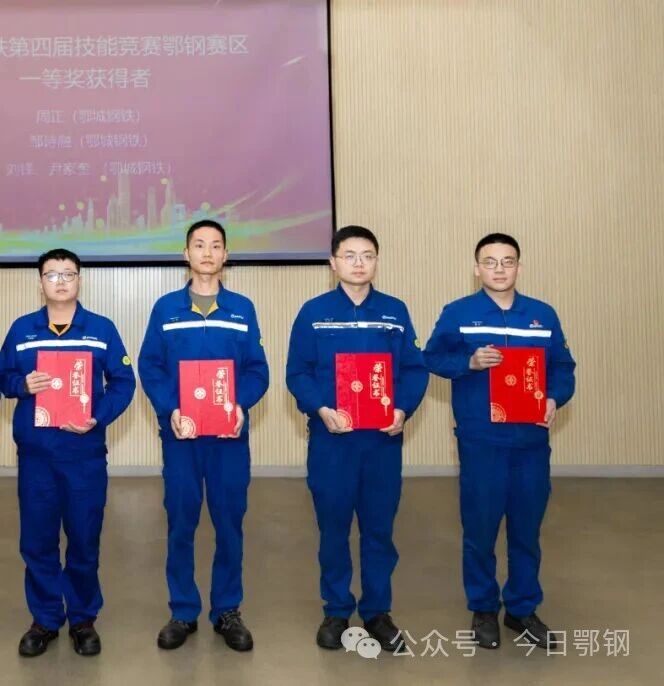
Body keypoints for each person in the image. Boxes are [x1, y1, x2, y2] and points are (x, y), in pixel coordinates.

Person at [424, 233, 575, 650]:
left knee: (527, 529)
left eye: (507, 261)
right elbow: (431, 357)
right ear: (477, 269)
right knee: (481, 528)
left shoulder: (541, 315)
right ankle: (484, 608)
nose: (499, 269)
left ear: (519, 267)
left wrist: (553, 397)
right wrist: (469, 362)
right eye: (490, 262)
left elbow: (563, 367)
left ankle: (522, 608)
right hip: (481, 440)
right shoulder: (459, 313)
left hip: (530, 441)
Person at [286, 225, 429, 652]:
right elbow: (298, 372)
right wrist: (320, 408)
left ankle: (378, 611)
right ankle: (336, 610)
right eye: (349, 255)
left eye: (367, 255)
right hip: (333, 440)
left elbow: (414, 369)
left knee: (378, 529)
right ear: (333, 263)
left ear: (376, 261)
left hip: (381, 442)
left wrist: (403, 409)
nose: (359, 263)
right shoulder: (313, 312)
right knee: (333, 528)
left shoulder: (394, 312)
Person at [138, 219, 269, 652]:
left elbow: (258, 370)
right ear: (186, 254)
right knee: (181, 522)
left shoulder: (242, 309)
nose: (207, 253)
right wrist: (170, 408)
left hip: (229, 439)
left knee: (229, 522)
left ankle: (227, 609)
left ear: (225, 255)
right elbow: (150, 366)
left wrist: (240, 404)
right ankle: (182, 610)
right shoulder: (166, 309)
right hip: (182, 436)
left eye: (215, 246)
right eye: (199, 245)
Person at [0, 248, 136, 657]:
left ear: (80, 280)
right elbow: (1, 377)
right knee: (37, 541)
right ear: (40, 282)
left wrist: (98, 416)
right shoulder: (22, 329)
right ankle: (44, 619)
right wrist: (23, 385)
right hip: (37, 457)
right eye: (52, 274)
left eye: (68, 274)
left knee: (84, 539)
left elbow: (124, 382)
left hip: (83, 456)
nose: (60, 281)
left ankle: (82, 618)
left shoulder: (101, 329)